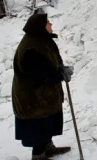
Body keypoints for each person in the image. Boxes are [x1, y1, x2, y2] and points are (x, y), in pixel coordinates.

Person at [13, 11, 73, 160]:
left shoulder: (41, 40)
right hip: (33, 98)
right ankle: (39, 155)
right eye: (48, 22)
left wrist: (61, 68)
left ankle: (48, 147)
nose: (51, 24)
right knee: (38, 127)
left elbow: (52, 60)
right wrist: (60, 76)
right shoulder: (31, 49)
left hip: (43, 96)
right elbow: (40, 74)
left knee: (46, 124)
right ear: (40, 26)